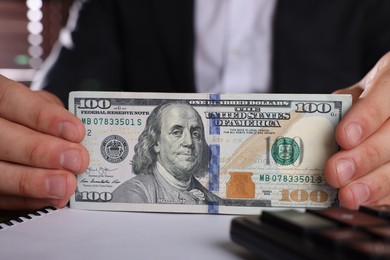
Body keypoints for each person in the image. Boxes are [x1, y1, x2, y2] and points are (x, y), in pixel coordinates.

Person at [1, 0, 390, 210]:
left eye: (195, 131)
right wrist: (33, 132)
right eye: (176, 130)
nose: (190, 141)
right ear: (152, 143)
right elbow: (62, 98)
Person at [111, 102, 221, 205]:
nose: (189, 142)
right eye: (176, 132)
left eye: (196, 134)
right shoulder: (133, 194)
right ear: (156, 143)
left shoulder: (214, 202)